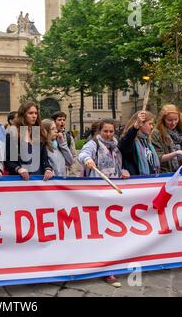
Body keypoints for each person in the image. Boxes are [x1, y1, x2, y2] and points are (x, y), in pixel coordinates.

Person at [78, 119, 129, 288]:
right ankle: (102, 267)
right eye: (105, 131)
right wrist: (87, 160)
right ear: (99, 131)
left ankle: (110, 266)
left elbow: (118, 166)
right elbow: (82, 154)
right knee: (97, 230)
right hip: (96, 193)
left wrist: (123, 172)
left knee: (110, 231)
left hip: (112, 193)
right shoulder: (93, 145)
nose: (108, 134)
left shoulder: (115, 146)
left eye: (111, 131)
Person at [5, 102, 53, 181]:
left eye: (35, 113)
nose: (34, 116)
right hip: (20, 180)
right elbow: (9, 161)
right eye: (30, 113)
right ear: (23, 115)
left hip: (39, 180)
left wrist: (48, 169)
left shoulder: (38, 132)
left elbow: (44, 159)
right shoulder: (14, 133)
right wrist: (19, 169)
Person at [118, 111, 160, 176]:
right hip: (136, 181)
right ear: (141, 124)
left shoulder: (147, 142)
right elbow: (125, 146)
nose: (152, 127)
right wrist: (135, 126)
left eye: (152, 124)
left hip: (150, 180)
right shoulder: (131, 141)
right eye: (150, 124)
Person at [151, 104, 182, 173]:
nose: (173, 123)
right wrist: (177, 153)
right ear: (163, 119)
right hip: (164, 174)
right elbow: (158, 157)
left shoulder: (180, 133)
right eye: (169, 120)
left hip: (180, 173)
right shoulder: (156, 134)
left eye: (176, 119)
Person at [51, 111, 79, 176]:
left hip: (63, 174)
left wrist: (72, 176)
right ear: (54, 122)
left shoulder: (69, 138)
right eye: (59, 120)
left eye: (64, 120)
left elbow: (73, 157)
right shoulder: (48, 136)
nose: (62, 122)